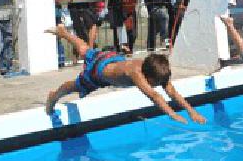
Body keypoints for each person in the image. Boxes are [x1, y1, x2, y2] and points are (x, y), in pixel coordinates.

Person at [44, 24, 206, 124]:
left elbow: (171, 91)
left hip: (113, 59)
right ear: (148, 77)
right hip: (98, 73)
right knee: (75, 86)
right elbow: (155, 96)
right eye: (156, 83)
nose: (159, 86)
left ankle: (63, 33)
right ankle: (54, 95)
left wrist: (192, 111)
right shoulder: (136, 73)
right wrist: (172, 114)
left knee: (86, 50)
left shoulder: (156, 68)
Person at [46, 0, 74, 66]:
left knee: (59, 35)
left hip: (58, 14)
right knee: (51, 37)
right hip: (47, 15)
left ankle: (61, 60)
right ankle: (55, 60)